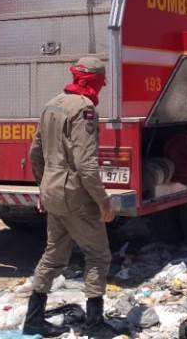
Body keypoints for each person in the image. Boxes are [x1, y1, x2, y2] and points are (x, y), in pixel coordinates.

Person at [24, 57, 117, 338]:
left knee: (54, 256)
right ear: (94, 81)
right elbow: (86, 164)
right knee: (98, 256)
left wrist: (43, 187)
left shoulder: (52, 104)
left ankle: (33, 320)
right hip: (75, 195)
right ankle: (95, 324)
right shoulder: (84, 109)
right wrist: (103, 200)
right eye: (101, 82)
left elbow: (34, 153)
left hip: (53, 192)